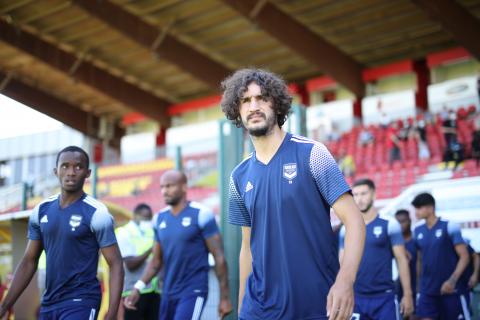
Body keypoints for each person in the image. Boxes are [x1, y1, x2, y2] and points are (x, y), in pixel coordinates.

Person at [221, 68, 366, 320]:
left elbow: (354, 221)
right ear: (237, 110)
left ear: (276, 103)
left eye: (261, 98)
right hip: (259, 310)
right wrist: (243, 305)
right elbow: (247, 248)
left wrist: (345, 281)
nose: (253, 106)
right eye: (245, 100)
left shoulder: (312, 154)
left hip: (314, 304)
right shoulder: (238, 177)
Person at [0, 145, 124, 320]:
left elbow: (116, 264)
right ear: (55, 171)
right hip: (49, 303)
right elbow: (29, 260)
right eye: (65, 166)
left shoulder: (97, 213)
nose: (71, 172)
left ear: (88, 173)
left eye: (78, 167)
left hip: (82, 300)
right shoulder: (41, 210)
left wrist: (112, 314)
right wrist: (5, 305)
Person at [124, 170, 232, 320]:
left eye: (170, 186)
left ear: (184, 187)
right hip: (168, 292)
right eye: (162, 187)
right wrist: (138, 287)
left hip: (193, 290)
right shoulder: (159, 219)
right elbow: (156, 262)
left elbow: (219, 258)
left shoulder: (202, 214)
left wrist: (224, 298)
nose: (164, 191)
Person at [340, 179, 413, 320]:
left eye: (363, 194)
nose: (359, 199)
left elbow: (402, 260)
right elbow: (342, 263)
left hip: (385, 297)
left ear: (373, 195)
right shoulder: (346, 229)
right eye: (355, 195)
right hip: (357, 298)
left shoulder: (390, 224)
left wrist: (408, 294)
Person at [412, 192, 471, 320]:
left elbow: (465, 256)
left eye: (419, 208)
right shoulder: (417, 231)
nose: (416, 212)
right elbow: (419, 260)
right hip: (427, 290)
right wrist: (418, 286)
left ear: (430, 208)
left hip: (450, 289)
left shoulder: (449, 226)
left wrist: (452, 280)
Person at [116, 203, 160, 320]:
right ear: (135, 216)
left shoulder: (153, 232)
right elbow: (130, 264)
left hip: (155, 290)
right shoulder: (125, 233)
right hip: (133, 291)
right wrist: (151, 249)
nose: (148, 221)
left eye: (149, 218)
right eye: (145, 218)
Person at [394, 209, 417, 319]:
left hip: (416, 287)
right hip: (397, 290)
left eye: (403, 221)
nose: (401, 225)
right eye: (398, 222)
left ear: (410, 221)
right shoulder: (391, 243)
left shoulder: (417, 240)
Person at [457, 239, 479, 315]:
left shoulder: (459, 241)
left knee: (467, 312)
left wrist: (475, 274)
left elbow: (475, 255)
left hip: (465, 285)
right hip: (446, 288)